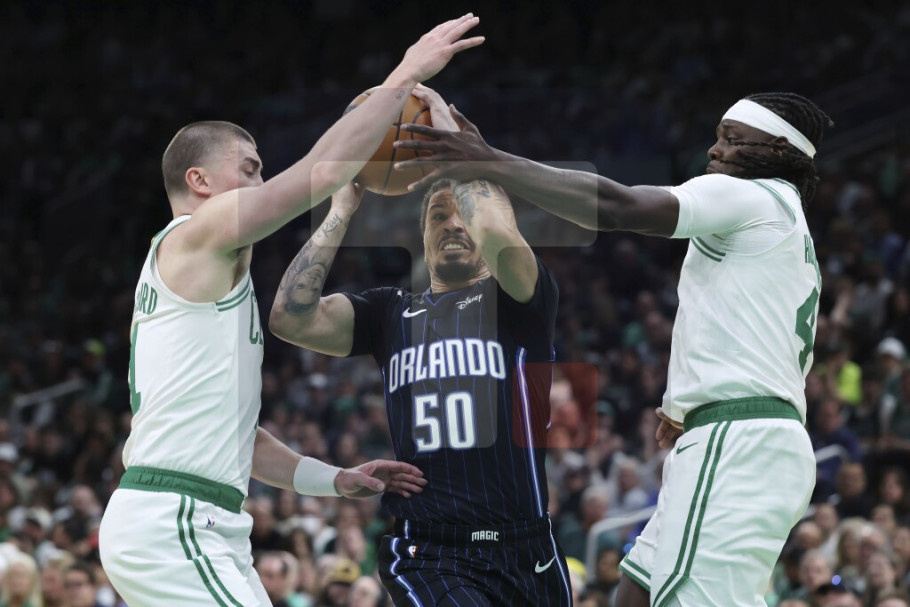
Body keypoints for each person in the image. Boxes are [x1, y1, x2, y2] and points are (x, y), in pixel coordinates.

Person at [97, 15, 484, 606]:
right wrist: (405, 75)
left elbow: (242, 440)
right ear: (199, 180)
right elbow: (313, 173)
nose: (261, 182)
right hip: (174, 520)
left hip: (199, 520)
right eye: (249, 169)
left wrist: (336, 479)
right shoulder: (196, 234)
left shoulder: (201, 278)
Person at [394, 91, 832, 606]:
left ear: (778, 149)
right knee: (634, 594)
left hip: (738, 447)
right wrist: (686, 406)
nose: (715, 150)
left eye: (733, 140)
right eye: (717, 137)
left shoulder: (753, 197)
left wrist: (488, 161)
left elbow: (619, 206)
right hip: (746, 439)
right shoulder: (785, 227)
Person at [269, 86, 572, 605]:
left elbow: (496, 229)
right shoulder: (389, 312)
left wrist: (460, 154)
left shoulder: (521, 301)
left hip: (528, 549)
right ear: (423, 238)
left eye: (463, 214)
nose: (453, 224)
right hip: (430, 551)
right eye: (437, 215)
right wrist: (341, 209)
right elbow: (289, 318)